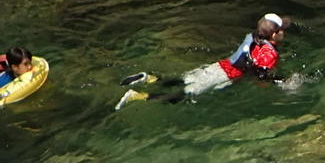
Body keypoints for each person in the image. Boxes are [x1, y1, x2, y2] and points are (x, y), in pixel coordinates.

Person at [117, 13, 292, 109]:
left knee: (183, 80)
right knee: (182, 96)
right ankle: (137, 96)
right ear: (275, 35)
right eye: (283, 30)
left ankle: (148, 78)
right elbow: (260, 74)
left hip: (220, 65)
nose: (285, 32)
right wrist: (281, 82)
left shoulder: (252, 36)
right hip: (224, 76)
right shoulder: (269, 53)